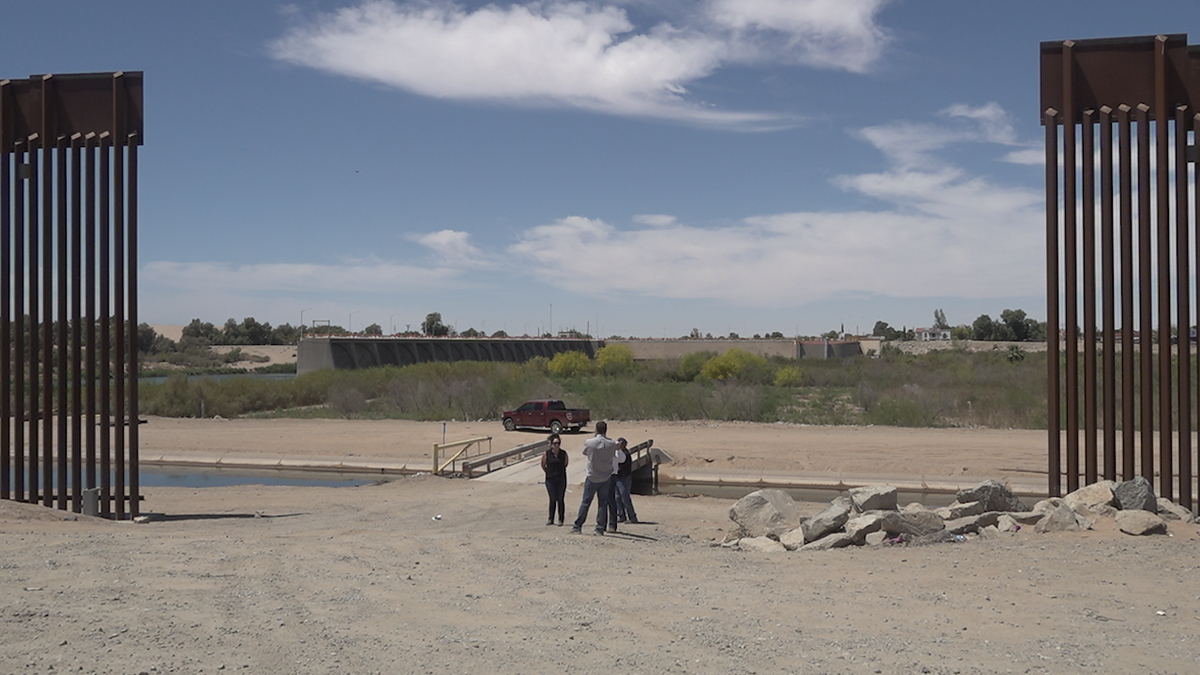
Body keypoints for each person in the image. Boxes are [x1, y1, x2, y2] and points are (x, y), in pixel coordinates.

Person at [571, 420, 617, 535]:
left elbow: (585, 453)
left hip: (592, 476)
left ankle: (578, 526)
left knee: (586, 502)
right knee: (603, 503)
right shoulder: (611, 444)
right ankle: (600, 528)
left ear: (596, 430)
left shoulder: (590, 442)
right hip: (606, 476)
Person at [541, 433, 568, 526]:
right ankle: (551, 518)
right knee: (552, 498)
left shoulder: (563, 453)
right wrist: (548, 472)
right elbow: (543, 465)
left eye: (558, 443)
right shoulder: (547, 454)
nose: (557, 445)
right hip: (550, 479)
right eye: (555, 443)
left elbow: (565, 464)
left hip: (561, 479)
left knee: (560, 499)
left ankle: (561, 519)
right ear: (551, 444)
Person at [613, 437, 639, 524]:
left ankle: (632, 517)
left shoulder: (626, 454)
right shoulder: (617, 453)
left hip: (624, 478)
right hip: (617, 478)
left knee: (625, 498)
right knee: (617, 498)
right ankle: (621, 515)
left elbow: (622, 466)